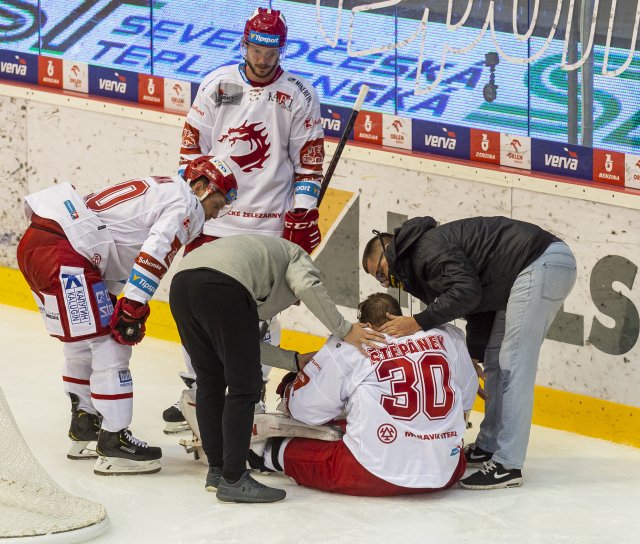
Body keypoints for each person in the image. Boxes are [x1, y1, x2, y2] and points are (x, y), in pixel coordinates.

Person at [16, 157, 238, 475]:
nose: (217, 212)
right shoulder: (185, 202)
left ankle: (86, 428)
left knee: (83, 343)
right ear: (201, 186)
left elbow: (114, 240)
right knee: (113, 343)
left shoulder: (162, 187)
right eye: (218, 203)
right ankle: (114, 442)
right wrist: (134, 306)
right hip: (66, 252)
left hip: (43, 243)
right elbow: (155, 251)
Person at [164, 6, 326, 430]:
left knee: (259, 318)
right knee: (197, 311)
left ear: (282, 50)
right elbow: (189, 153)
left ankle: (249, 396)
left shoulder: (300, 94)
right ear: (245, 43)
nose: (263, 59)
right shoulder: (218, 85)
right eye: (256, 49)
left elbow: (309, 165)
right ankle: (198, 392)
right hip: (214, 221)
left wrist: (302, 214)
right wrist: (195, 204)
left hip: (268, 226)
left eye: (271, 52)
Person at [361, 216, 577, 489]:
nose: (384, 282)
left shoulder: (425, 250)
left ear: (388, 249)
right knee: (495, 363)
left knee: (514, 364)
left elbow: (467, 293)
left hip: (539, 262)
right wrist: (473, 357)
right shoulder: (420, 260)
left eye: (380, 272)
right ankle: (488, 445)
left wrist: (417, 322)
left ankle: (508, 464)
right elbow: (477, 307)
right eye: (378, 280)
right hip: (518, 274)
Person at [168, 235, 385, 503]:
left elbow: (246, 344)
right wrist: (345, 329)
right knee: (245, 387)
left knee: (210, 381)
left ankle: (218, 471)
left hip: (181, 286)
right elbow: (307, 285)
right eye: (293, 301)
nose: (291, 304)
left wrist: (294, 360)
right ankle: (234, 479)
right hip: (222, 287)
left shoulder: (261, 265)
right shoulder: (297, 257)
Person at [251, 292, 477, 496]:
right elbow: (466, 401)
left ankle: (263, 454)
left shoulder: (354, 343)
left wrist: (289, 389)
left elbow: (307, 411)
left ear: (364, 325)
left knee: (305, 450)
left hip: (373, 474)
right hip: (448, 470)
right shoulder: (449, 335)